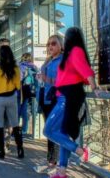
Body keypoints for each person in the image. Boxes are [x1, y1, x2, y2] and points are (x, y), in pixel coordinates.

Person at [43, 27, 101, 178]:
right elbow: (79, 75)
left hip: (66, 98)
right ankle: (61, 172)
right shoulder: (70, 55)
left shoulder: (75, 51)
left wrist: (94, 86)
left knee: (48, 130)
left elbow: (85, 70)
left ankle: (80, 151)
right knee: (63, 134)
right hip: (63, 96)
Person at [0, 45, 24, 159]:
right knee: (15, 125)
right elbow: (18, 85)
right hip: (12, 98)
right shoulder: (16, 69)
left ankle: (1, 152)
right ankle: (20, 150)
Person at [34, 34, 63, 173]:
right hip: (45, 98)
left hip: (56, 100)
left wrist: (45, 78)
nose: (50, 46)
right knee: (49, 131)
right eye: (48, 44)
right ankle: (51, 162)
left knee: (53, 131)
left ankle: (54, 164)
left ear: (61, 45)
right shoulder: (48, 61)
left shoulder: (62, 61)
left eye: (53, 43)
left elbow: (62, 82)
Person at [18, 53, 38, 134]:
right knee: (25, 109)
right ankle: (24, 129)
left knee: (18, 110)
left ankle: (16, 129)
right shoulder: (34, 67)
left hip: (20, 89)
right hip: (29, 89)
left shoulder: (19, 66)